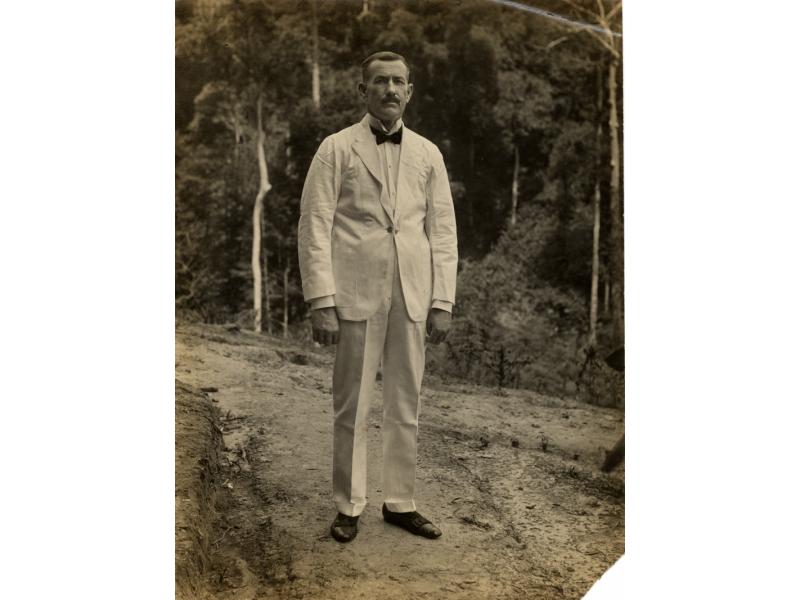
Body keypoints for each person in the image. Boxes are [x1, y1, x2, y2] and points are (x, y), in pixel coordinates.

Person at [297, 51, 458, 543]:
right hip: (355, 292)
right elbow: (314, 226)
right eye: (380, 81)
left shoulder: (428, 153)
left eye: (398, 82)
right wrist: (321, 299)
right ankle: (349, 505)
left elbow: (443, 229)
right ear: (363, 89)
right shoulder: (336, 148)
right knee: (353, 404)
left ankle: (400, 502)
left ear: (410, 91)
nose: (390, 90)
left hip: (412, 290)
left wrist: (443, 300)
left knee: (405, 401)